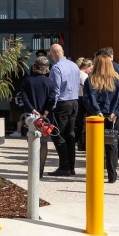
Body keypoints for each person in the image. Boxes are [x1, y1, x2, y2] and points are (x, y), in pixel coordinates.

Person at [82, 53, 119, 183]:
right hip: (112, 117)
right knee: (111, 146)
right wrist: (115, 113)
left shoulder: (91, 80)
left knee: (95, 146)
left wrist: (97, 111)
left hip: (96, 117)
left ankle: (96, 174)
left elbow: (89, 98)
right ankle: (112, 175)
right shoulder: (118, 81)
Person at [47, 43, 82, 177]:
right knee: (70, 135)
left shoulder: (56, 67)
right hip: (74, 102)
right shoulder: (73, 65)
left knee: (57, 134)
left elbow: (55, 89)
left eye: (50, 54)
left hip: (62, 103)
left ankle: (64, 166)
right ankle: (71, 167)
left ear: (53, 54)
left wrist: (51, 107)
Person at [21, 56, 59, 177]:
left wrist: (32, 109)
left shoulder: (27, 80)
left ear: (35, 66)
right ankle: (41, 169)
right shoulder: (49, 82)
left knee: (32, 141)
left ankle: (33, 168)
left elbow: (24, 97)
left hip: (31, 115)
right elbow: (52, 98)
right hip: (45, 117)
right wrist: (45, 113)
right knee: (43, 143)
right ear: (47, 68)